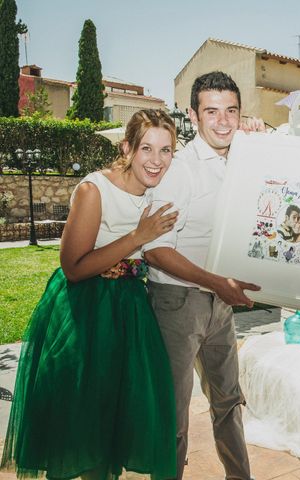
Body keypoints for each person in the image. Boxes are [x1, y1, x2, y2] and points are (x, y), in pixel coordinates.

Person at [1, 109, 180, 480]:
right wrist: (137, 238)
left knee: (118, 418)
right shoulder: (93, 189)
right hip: (88, 312)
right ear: (127, 148)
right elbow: (73, 267)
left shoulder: (158, 194)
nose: (157, 160)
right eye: (147, 148)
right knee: (85, 420)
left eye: (166, 150)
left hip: (130, 311)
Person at [143, 71, 264, 480]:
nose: (223, 121)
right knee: (172, 413)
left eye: (232, 110)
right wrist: (216, 284)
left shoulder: (245, 158)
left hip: (220, 304)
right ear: (193, 116)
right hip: (176, 303)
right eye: (211, 111)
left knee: (229, 402)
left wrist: (264, 135)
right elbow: (155, 250)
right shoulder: (181, 169)